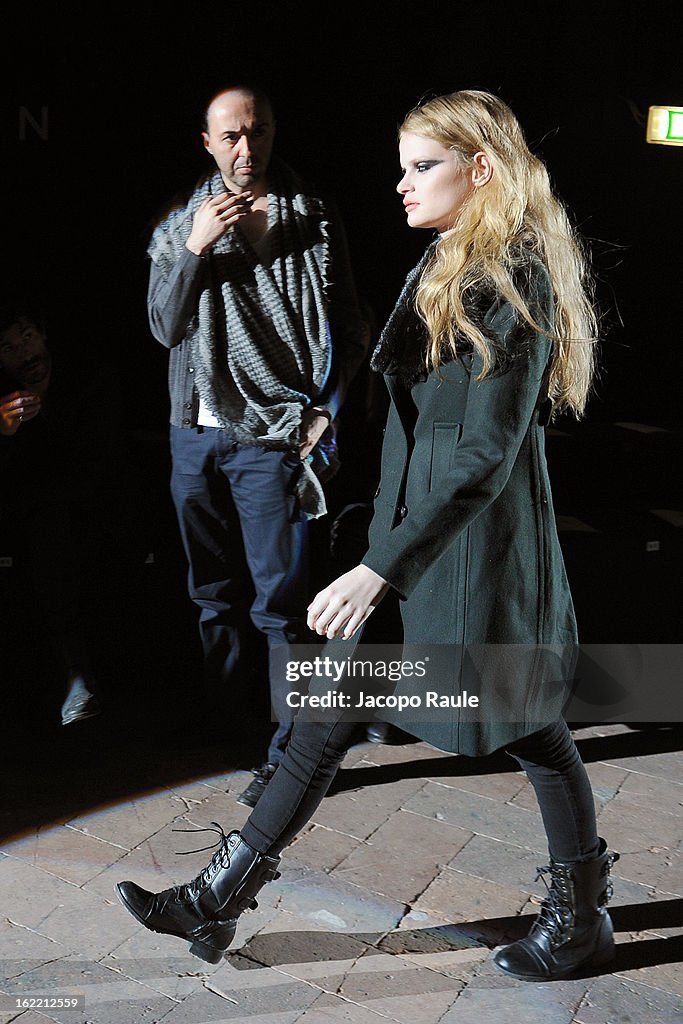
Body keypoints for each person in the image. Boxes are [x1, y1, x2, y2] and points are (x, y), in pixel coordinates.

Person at [117, 89, 619, 982]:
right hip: (413, 545)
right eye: (400, 165)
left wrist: (377, 570)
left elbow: (483, 456)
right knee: (327, 708)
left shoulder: (511, 275)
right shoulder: (448, 261)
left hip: (470, 553)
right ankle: (216, 898)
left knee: (529, 727)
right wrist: (377, 554)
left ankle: (581, 920)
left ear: (482, 168)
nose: (400, 183)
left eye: (421, 165)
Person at [145, 84, 367, 805]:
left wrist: (326, 412)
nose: (247, 149)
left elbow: (349, 328)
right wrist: (195, 248)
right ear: (208, 143)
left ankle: (291, 752)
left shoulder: (314, 218)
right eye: (233, 136)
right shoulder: (184, 221)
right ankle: (222, 718)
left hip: (273, 434)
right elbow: (163, 325)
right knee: (212, 594)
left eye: (259, 133)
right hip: (196, 432)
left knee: (282, 604)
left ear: (274, 133)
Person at [0, 303, 121, 726]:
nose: (23, 353)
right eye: (9, 347)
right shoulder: (6, 400)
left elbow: (102, 457)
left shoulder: (88, 378)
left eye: (27, 338)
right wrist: (7, 432)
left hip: (97, 502)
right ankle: (75, 677)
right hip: (38, 518)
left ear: (44, 334)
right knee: (45, 531)